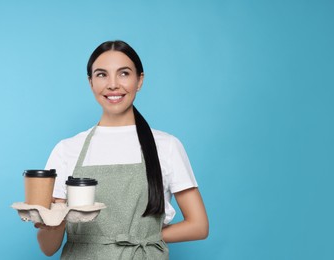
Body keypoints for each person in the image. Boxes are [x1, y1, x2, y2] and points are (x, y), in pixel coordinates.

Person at [35, 40, 209, 259]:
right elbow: (48, 248)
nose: (113, 84)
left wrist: (143, 237)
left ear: (139, 81)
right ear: (90, 83)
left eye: (124, 73)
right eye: (101, 75)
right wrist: (53, 224)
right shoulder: (67, 149)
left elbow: (199, 225)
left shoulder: (166, 146)